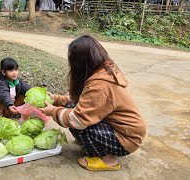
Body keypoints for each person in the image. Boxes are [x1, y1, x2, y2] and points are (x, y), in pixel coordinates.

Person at [39, 35, 146, 171]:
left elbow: (78, 120)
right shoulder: (102, 71)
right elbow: (83, 101)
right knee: (72, 109)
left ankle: (108, 160)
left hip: (126, 139)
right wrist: (57, 99)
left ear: (81, 62)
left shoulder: (99, 85)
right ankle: (95, 143)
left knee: (79, 126)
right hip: (120, 129)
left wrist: (53, 111)